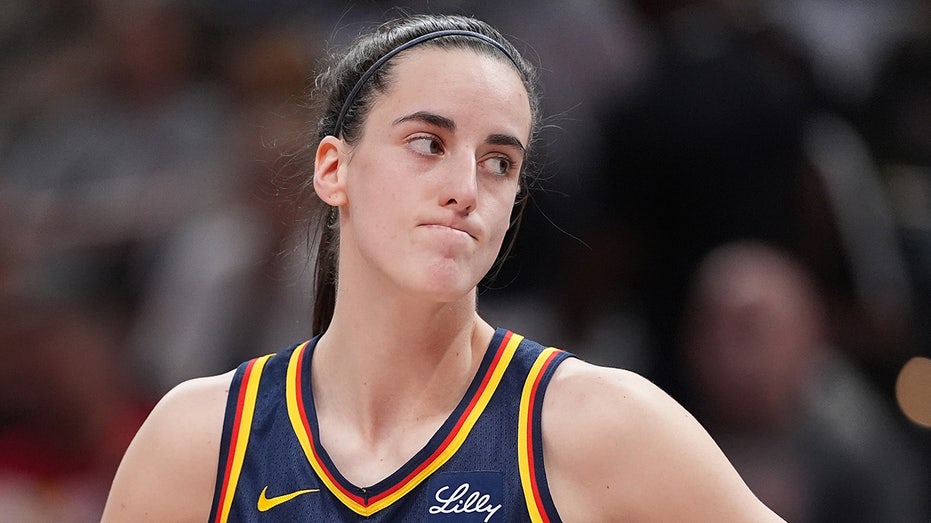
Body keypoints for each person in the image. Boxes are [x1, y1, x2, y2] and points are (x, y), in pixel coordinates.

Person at [101, 13, 784, 522]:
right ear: (334, 169)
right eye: (428, 143)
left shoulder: (598, 424)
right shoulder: (200, 440)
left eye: (499, 162)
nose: (465, 187)